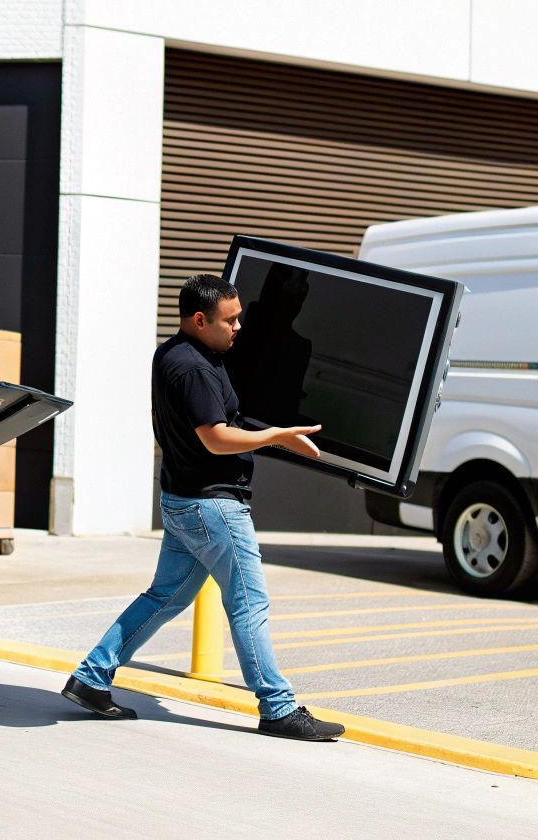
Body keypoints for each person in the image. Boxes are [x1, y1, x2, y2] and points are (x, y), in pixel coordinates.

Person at [61, 273, 345, 741]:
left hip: (183, 499)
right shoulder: (192, 367)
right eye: (230, 320)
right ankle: (278, 708)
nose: (239, 327)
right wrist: (277, 436)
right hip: (213, 505)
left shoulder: (174, 352)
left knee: (165, 597)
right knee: (249, 602)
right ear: (199, 319)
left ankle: (92, 678)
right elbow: (215, 438)